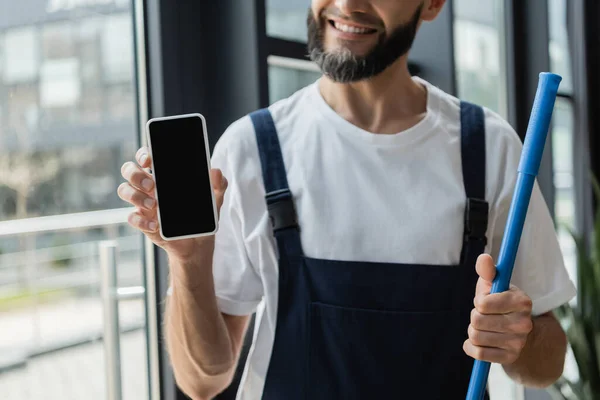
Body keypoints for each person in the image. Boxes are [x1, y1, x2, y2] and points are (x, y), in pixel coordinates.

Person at [118, 1, 576, 399]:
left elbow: (548, 363)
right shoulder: (251, 148)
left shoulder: (489, 149)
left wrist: (521, 337)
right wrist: (191, 261)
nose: (347, 3)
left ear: (433, 3)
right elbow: (203, 380)